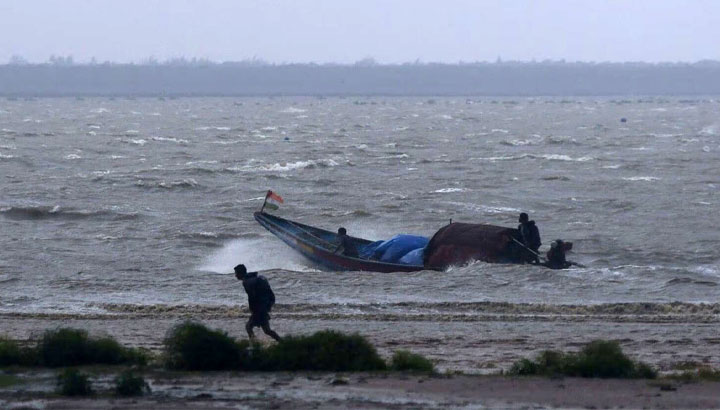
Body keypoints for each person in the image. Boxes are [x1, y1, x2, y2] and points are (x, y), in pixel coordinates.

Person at [234, 264, 281, 341]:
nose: (235, 275)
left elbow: (252, 297)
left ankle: (253, 345)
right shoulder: (255, 278)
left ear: (240, 273)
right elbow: (268, 294)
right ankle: (283, 342)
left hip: (259, 309)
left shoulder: (246, 282)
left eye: (236, 273)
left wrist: (254, 310)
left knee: (248, 327)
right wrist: (267, 306)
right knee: (267, 330)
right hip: (264, 306)